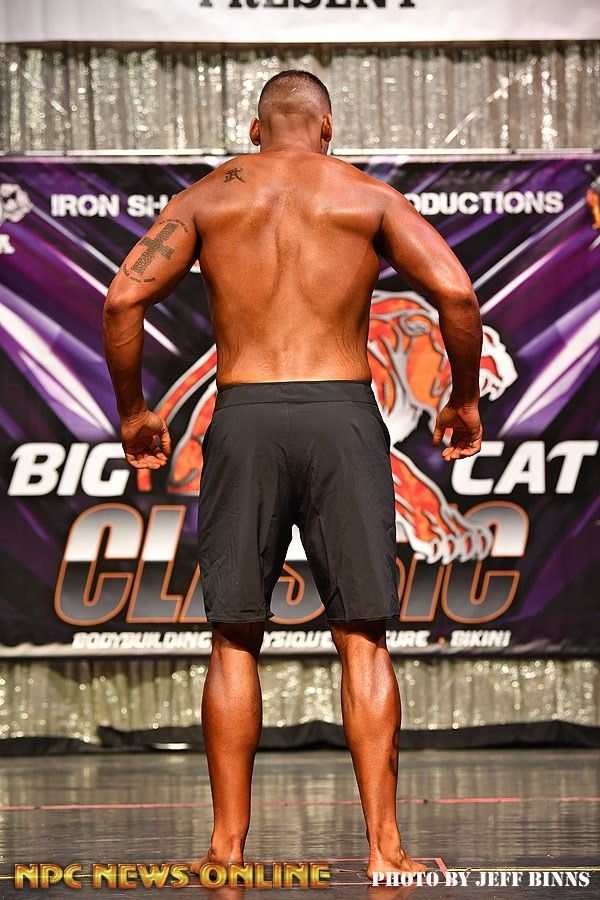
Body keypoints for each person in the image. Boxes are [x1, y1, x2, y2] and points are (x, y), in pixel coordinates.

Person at [103, 70, 484, 878]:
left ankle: (225, 849)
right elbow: (456, 293)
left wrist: (135, 412)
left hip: (243, 415)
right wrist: (462, 400)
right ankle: (385, 851)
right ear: (327, 127)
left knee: (234, 635)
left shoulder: (206, 200)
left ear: (255, 128)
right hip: (341, 415)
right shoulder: (367, 198)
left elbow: (120, 302)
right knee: (363, 637)